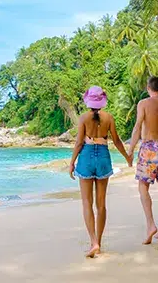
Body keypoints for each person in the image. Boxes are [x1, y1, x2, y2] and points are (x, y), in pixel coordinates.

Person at [69, 86, 132, 258]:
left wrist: (72, 162)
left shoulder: (83, 118)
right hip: (103, 157)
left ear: (88, 101)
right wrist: (127, 157)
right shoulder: (109, 118)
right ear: (102, 101)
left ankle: (93, 242)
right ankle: (100, 241)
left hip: (87, 158)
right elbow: (117, 140)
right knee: (101, 204)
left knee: (87, 203)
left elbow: (79, 143)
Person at [127, 76, 158, 244]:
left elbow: (137, 126)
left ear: (148, 88)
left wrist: (131, 149)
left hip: (148, 148)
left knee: (143, 187)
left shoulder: (143, 104)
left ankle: (150, 224)